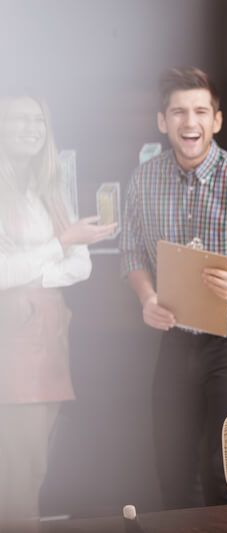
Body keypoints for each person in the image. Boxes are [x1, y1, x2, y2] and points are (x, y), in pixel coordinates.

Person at [120, 67, 227, 509]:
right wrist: (147, 298)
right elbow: (132, 252)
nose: (188, 122)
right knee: (170, 461)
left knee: (224, 462)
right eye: (178, 112)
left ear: (216, 120)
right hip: (175, 334)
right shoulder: (144, 181)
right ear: (162, 121)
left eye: (199, 111)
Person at [0, 94, 116, 523]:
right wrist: (59, 245)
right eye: (18, 119)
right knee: (18, 470)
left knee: (33, 467)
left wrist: (33, 273)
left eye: (38, 120)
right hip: (12, 342)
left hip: (49, 338)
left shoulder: (48, 190)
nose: (30, 128)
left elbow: (80, 265)